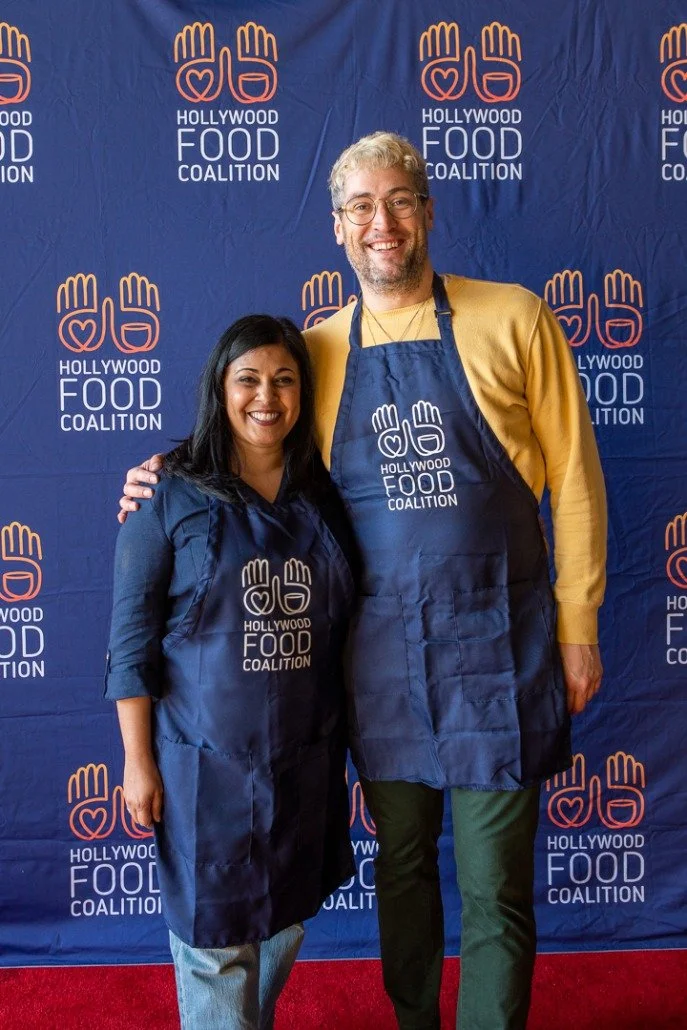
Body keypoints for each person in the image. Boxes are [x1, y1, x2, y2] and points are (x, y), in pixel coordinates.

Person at [119, 132, 606, 1030]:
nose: (381, 223)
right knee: (402, 869)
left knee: (497, 888)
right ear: (337, 230)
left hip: (501, 648)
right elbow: (248, 440)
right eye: (360, 208)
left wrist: (578, 625)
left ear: (426, 212)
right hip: (379, 663)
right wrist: (163, 476)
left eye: (398, 202)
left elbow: (574, 480)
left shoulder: (514, 317)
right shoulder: (316, 350)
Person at [105, 314, 355, 1030]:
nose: (265, 397)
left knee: (280, 926)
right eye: (248, 379)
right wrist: (136, 761)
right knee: (214, 946)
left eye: (284, 380)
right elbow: (129, 644)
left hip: (303, 763)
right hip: (201, 773)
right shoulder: (164, 493)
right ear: (220, 388)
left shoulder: (328, 493)